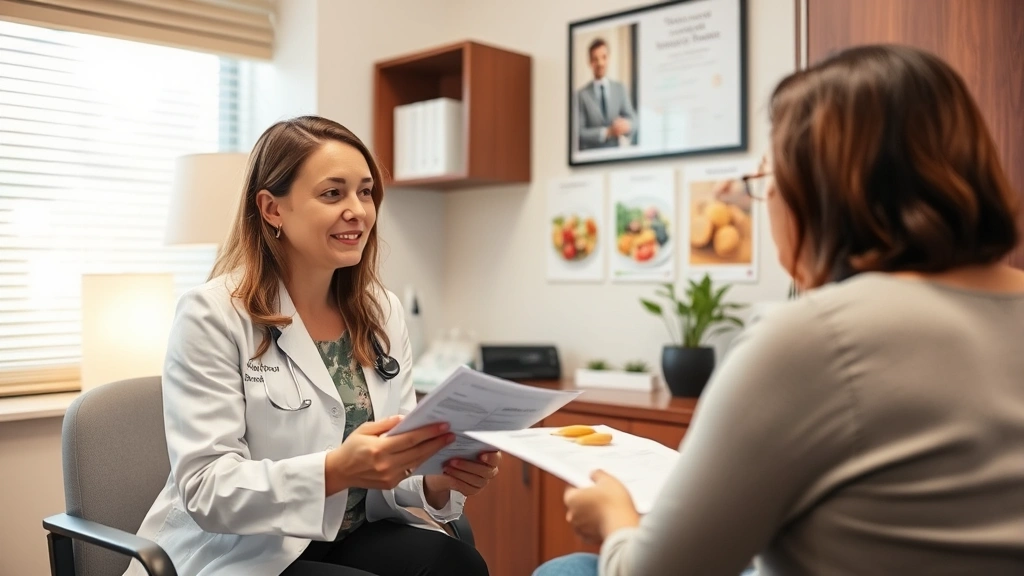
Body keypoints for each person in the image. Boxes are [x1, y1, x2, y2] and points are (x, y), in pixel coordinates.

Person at [535, 44, 1024, 576]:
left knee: (567, 571)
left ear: (816, 192)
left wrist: (615, 517)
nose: (765, 200)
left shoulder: (814, 339)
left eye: (765, 179)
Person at [125, 116, 499, 576]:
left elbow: (392, 466)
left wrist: (436, 482)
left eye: (366, 192)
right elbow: (207, 489)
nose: (358, 211)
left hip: (352, 533)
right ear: (272, 209)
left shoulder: (381, 310)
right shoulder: (213, 313)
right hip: (246, 549)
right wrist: (334, 470)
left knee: (457, 563)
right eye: (333, 193)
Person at [576, 37, 637, 150]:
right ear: (590, 62)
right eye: (595, 59)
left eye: (603, 57)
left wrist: (627, 125)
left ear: (608, 58)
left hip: (615, 154)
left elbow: (633, 121)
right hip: (590, 155)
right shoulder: (581, 95)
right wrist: (607, 132)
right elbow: (579, 133)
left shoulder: (620, 89)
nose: (600, 63)